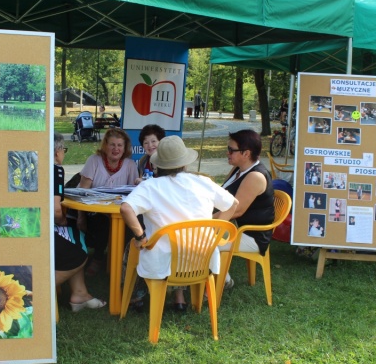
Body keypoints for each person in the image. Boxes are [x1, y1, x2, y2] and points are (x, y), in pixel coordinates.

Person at [120, 136, 238, 311]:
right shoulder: (203, 182)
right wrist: (213, 229)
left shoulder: (150, 186)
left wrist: (140, 237)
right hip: (201, 258)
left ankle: (134, 297)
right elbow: (233, 204)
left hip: (163, 261)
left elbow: (125, 209)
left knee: (132, 248)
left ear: (157, 164)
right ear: (185, 163)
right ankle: (180, 298)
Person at [53, 133, 106, 311]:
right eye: (64, 150)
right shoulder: (55, 169)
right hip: (43, 229)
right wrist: (62, 222)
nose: (63, 154)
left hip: (27, 225)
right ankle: (37, 291)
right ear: (57, 152)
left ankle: (80, 294)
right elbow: (56, 210)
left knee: (76, 235)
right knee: (79, 251)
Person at [217, 129, 275, 288]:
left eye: (231, 150)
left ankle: (222, 282)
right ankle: (212, 279)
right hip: (236, 227)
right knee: (199, 236)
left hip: (252, 236)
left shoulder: (255, 176)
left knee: (204, 242)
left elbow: (237, 211)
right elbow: (223, 195)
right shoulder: (239, 169)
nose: (227, 153)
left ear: (246, 154)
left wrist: (204, 219)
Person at [78, 128, 138, 275]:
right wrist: (81, 217)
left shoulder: (130, 165)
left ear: (125, 148)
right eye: (112, 144)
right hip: (91, 212)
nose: (116, 149)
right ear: (105, 146)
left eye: (120, 145)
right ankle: (98, 258)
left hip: (119, 214)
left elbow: (134, 195)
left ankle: (122, 263)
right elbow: (81, 193)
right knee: (102, 222)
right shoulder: (94, 161)